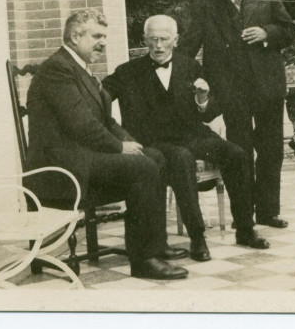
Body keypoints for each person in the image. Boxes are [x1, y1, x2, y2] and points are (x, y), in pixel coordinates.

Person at [25, 9, 189, 280]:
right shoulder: (58, 69)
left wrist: (130, 143)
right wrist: (118, 148)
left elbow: (106, 120)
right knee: (144, 168)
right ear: (76, 35)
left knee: (154, 156)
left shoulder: (79, 68)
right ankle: (144, 260)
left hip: (81, 160)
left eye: (104, 36)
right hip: (59, 168)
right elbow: (81, 124)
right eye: (97, 36)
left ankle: (156, 245)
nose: (103, 42)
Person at [103, 15, 271, 261]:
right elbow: (98, 97)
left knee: (236, 154)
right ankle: (197, 237)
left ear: (176, 40)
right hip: (156, 141)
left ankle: (245, 228)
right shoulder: (127, 72)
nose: (159, 45)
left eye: (165, 39)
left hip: (193, 134)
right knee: (182, 159)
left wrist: (202, 99)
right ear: (144, 41)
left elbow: (210, 111)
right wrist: (117, 134)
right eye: (153, 39)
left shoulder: (190, 66)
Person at [179, 0, 295, 229]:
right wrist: (190, 76)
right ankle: (242, 215)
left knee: (271, 151)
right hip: (231, 92)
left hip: (268, 88)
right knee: (239, 153)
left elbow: (290, 30)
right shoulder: (206, 4)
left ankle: (269, 212)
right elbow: (188, 47)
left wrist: (266, 33)